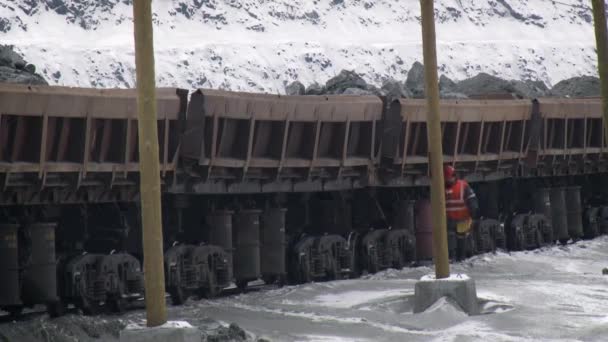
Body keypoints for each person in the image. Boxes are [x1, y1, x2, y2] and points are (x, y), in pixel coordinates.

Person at [443, 164, 479, 260]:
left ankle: (461, 257)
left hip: (462, 219)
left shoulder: (463, 186)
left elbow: (472, 200)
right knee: (450, 239)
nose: (448, 180)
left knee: (461, 239)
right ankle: (453, 257)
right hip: (449, 220)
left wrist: (473, 212)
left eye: (448, 178)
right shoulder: (440, 188)